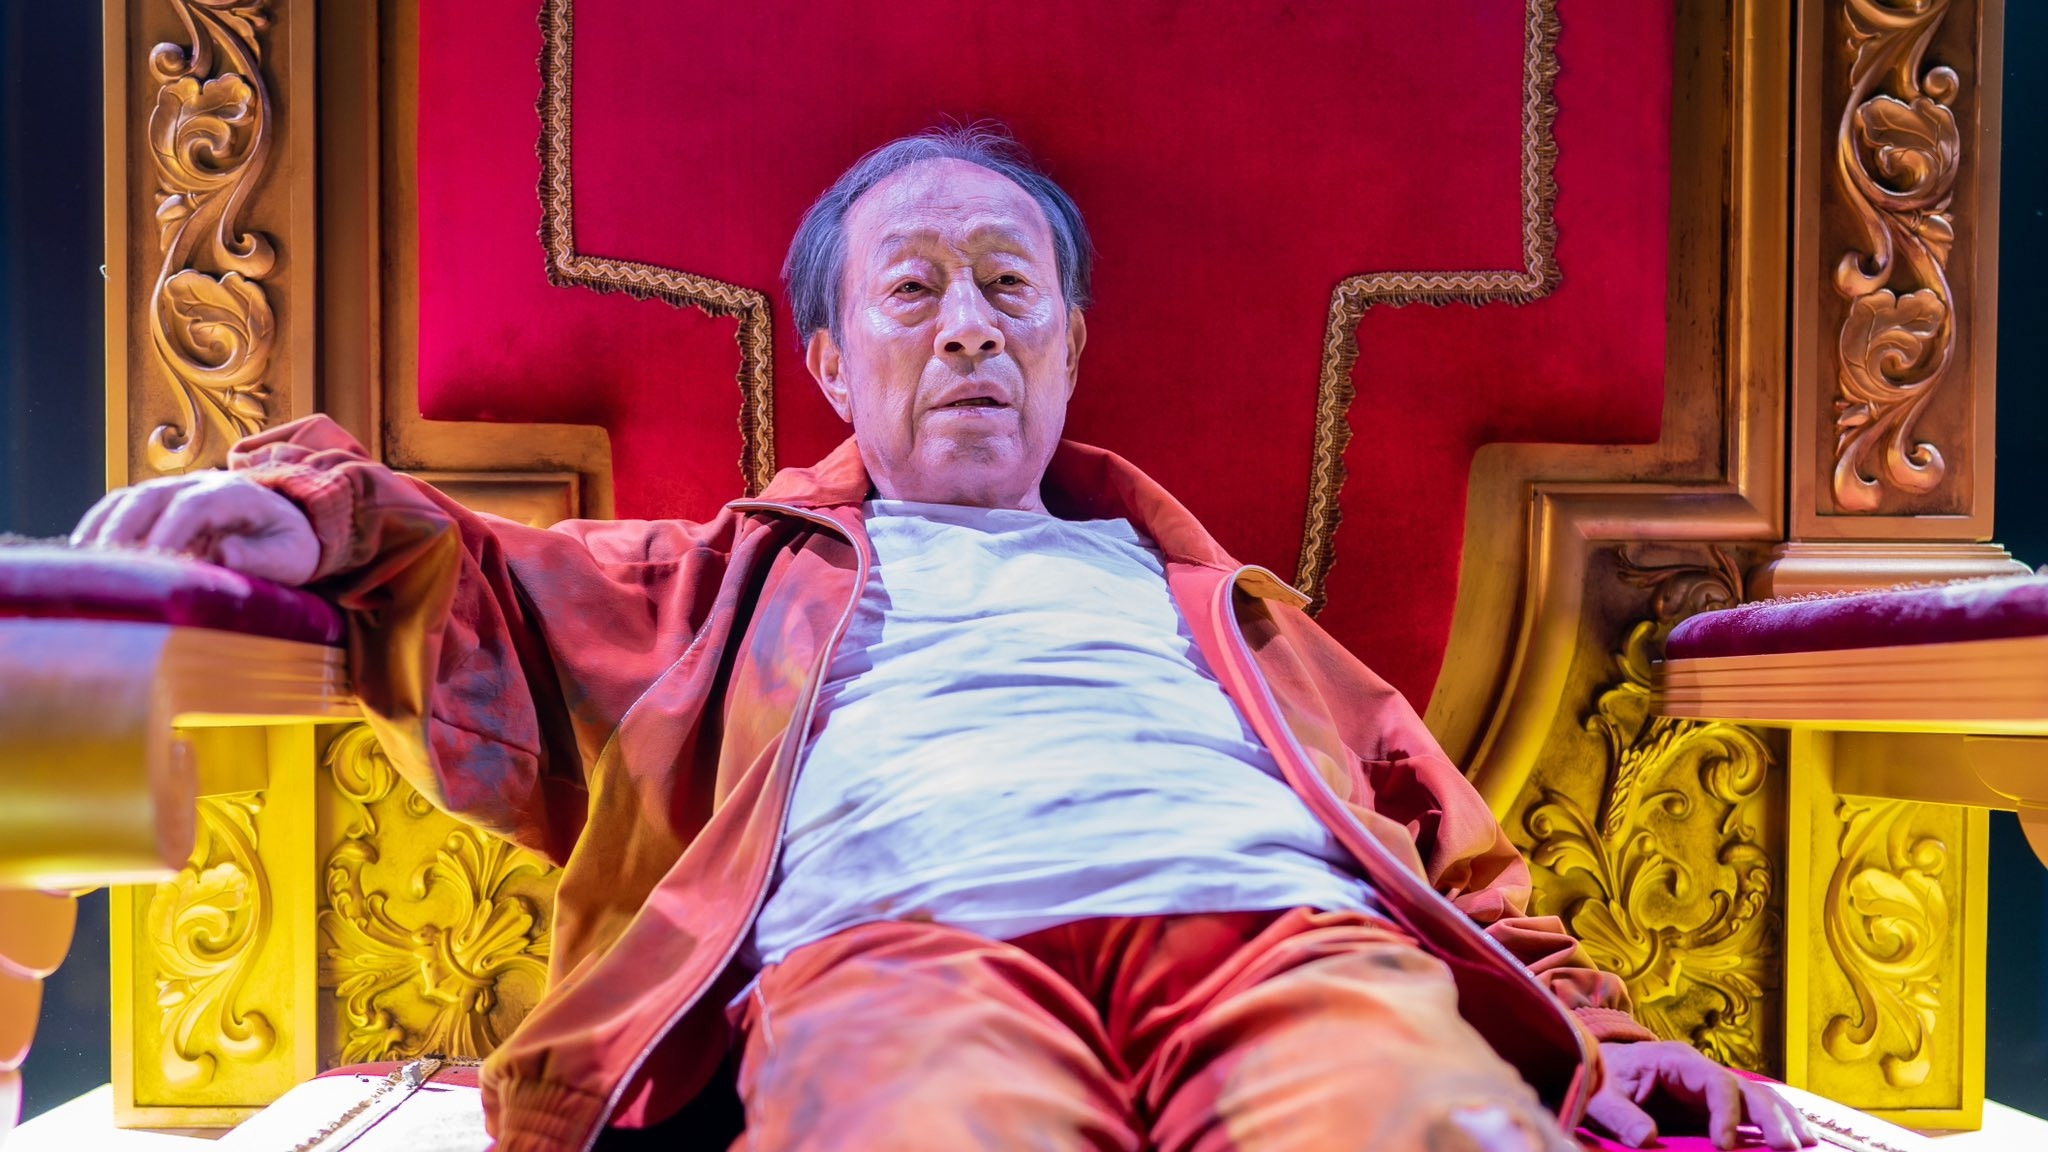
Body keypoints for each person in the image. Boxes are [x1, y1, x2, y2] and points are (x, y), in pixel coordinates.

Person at [73, 127, 1813, 1152]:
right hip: (897, 954)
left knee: (1413, 1120)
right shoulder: (723, 583)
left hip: (1290, 943)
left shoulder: (1228, 611)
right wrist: (306, 516)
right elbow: (465, 581)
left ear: (1069, 346)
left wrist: (1598, 1025)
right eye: (913, 290)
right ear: (833, 362)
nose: (968, 327)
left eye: (1008, 287)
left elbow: (1452, 854)